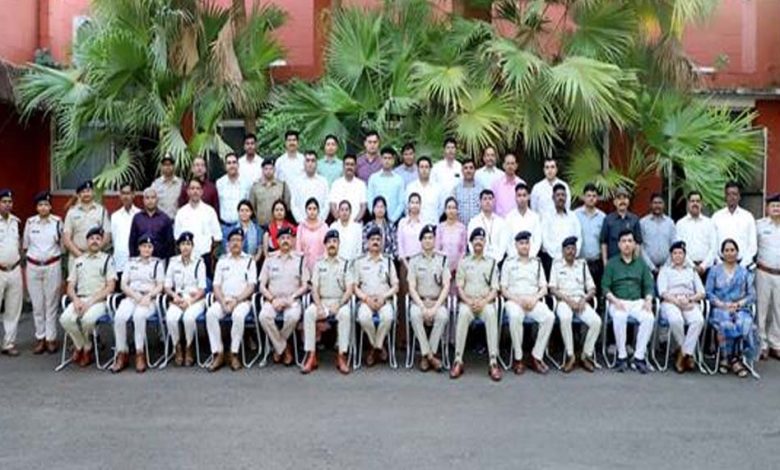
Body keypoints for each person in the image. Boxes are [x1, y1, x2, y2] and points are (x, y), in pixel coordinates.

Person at [59, 227, 117, 367]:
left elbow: (110, 287)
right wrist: (75, 300)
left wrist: (90, 302)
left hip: (98, 301)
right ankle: (84, 345)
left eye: (98, 239)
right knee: (65, 319)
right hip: (80, 299)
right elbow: (70, 286)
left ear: (102, 242)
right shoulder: (79, 260)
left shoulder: (107, 260)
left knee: (87, 320)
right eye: (91, 239)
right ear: (87, 241)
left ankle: (84, 349)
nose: (94, 241)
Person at [450, 228, 501, 381]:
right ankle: (458, 360)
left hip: (485, 302)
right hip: (468, 302)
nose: (478, 242)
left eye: (481, 239)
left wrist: (484, 302)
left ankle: (493, 362)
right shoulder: (464, 262)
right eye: (476, 239)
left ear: (485, 243)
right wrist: (468, 301)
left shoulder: (492, 263)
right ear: (471, 243)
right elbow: (459, 287)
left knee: (491, 314)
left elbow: (495, 289)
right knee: (463, 314)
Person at [501, 231, 554, 375]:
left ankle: (536, 356)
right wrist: (518, 300)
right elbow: (503, 289)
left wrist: (534, 298)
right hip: (514, 301)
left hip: (533, 300)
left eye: (526, 243)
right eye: (521, 243)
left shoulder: (537, 263)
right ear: (516, 245)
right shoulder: (509, 262)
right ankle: (518, 358)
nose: (524, 246)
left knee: (549, 317)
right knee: (515, 316)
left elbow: (544, 288)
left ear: (530, 245)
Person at [602, 229, 655, 374]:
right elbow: (605, 287)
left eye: (630, 241)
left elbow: (649, 285)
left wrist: (648, 300)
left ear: (634, 245)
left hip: (637, 302)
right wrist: (614, 300)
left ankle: (639, 357)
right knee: (619, 316)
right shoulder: (612, 264)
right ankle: (622, 356)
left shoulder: (641, 264)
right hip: (618, 300)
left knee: (649, 317)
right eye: (624, 241)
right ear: (619, 244)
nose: (627, 244)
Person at [301, 230, 354, 374]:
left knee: (345, 315)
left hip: (339, 302)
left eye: (335, 242)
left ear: (339, 244)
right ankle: (311, 356)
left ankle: (341, 356)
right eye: (329, 242)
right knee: (309, 313)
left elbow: (349, 289)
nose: (332, 244)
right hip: (322, 301)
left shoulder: (345, 264)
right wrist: (318, 306)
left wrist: (340, 304)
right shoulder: (319, 264)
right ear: (325, 245)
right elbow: (314, 288)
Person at [110, 234, 164, 373]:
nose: (147, 249)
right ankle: (121, 352)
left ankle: (140, 353)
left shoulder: (157, 264)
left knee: (139, 316)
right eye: (144, 246)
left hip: (148, 299)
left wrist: (148, 296)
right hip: (131, 296)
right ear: (139, 248)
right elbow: (123, 284)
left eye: (149, 247)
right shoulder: (131, 263)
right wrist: (135, 296)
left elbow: (160, 285)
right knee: (119, 317)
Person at [206, 227, 257, 372]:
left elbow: (251, 286)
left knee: (238, 316)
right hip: (224, 299)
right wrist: (222, 301)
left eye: (239, 240)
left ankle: (234, 353)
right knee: (211, 314)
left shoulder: (249, 261)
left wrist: (237, 300)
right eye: (233, 240)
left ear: (243, 243)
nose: (236, 243)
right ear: (228, 244)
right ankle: (218, 352)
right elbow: (216, 285)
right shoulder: (222, 261)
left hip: (242, 301)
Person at [706, 239, 757, 377]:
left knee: (743, 322)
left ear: (737, 252)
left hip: (739, 308)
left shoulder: (744, 272)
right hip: (720, 307)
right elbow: (708, 292)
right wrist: (722, 304)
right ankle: (728, 357)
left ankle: (734, 357)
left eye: (732, 250)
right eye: (726, 250)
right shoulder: (714, 271)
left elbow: (752, 295)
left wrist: (738, 304)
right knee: (726, 323)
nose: (729, 253)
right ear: (722, 253)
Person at [259, 227, 310, 367]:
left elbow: (305, 285)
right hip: (273, 300)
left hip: (292, 299)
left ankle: (277, 347)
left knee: (292, 317)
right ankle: (284, 348)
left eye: (288, 238)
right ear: (277, 241)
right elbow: (262, 286)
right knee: (263, 316)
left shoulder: (300, 259)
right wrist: (272, 299)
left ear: (293, 241)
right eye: (282, 238)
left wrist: (291, 297)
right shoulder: (270, 259)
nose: (285, 241)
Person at [549, 236, 600, 373]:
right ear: (563, 251)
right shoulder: (556, 264)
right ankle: (570, 355)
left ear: (576, 251)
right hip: (563, 301)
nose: (571, 251)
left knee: (596, 322)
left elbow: (592, 288)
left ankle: (585, 355)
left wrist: (585, 299)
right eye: (568, 249)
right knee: (565, 318)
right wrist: (568, 300)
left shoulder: (582, 265)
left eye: (573, 248)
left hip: (580, 301)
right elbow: (552, 289)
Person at [23, 191, 63, 354]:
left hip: (52, 265)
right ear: (36, 207)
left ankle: (50, 338)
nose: (43, 207)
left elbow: (62, 245)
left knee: (51, 304)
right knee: (37, 304)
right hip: (33, 266)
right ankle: (40, 337)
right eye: (40, 205)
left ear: (50, 207)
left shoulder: (57, 222)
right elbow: (25, 245)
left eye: (46, 204)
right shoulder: (30, 223)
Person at [657, 241, 705, 373]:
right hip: (670, 302)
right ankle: (688, 354)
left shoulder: (691, 271)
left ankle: (682, 354)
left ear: (684, 255)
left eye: (680, 253)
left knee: (698, 320)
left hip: (689, 301)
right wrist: (678, 302)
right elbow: (662, 292)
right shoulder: (665, 271)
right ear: (671, 255)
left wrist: (689, 300)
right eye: (675, 253)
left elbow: (701, 292)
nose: (678, 256)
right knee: (676, 320)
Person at [354, 226, 399, 366]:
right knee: (363, 318)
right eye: (372, 239)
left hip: (384, 301)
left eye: (378, 239)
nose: (375, 242)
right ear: (367, 242)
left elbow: (396, 286)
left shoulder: (388, 261)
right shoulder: (359, 262)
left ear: (382, 242)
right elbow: (354, 287)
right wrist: (366, 299)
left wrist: (383, 297)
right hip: (365, 301)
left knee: (388, 317)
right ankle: (379, 347)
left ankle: (374, 349)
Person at [407, 224, 450, 372]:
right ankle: (431, 357)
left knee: (442, 316)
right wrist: (423, 307)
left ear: (434, 240)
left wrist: (435, 307)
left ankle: (427, 355)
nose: (428, 241)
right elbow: (412, 287)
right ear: (421, 241)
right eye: (425, 238)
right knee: (415, 315)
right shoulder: (414, 260)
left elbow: (446, 286)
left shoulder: (443, 260)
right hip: (419, 302)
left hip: (437, 302)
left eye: (430, 238)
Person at [164, 232, 207, 367]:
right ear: (179, 247)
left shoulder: (199, 262)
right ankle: (177, 346)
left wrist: (189, 302)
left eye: (188, 244)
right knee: (170, 318)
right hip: (178, 298)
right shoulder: (173, 262)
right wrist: (175, 297)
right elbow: (167, 286)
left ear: (192, 246)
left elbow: (202, 289)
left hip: (195, 299)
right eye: (183, 244)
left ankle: (189, 346)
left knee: (188, 318)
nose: (185, 247)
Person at [174, 178, 222, 276]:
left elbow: (218, 237)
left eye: (197, 188)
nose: (195, 191)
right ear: (188, 191)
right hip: (186, 258)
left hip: (205, 257)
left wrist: (211, 254)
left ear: (201, 191)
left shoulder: (210, 211)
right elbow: (177, 237)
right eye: (192, 188)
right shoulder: (181, 213)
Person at [63, 180, 111, 271]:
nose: (86, 194)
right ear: (79, 195)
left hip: (96, 258)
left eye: (88, 191)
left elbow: (107, 235)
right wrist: (80, 255)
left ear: (93, 193)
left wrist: (94, 252)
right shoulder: (72, 212)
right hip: (76, 258)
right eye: (83, 192)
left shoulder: (101, 211)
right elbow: (66, 239)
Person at [756, 193, 780, 360]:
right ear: (767, 208)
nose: (776, 209)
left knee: (779, 311)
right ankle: (762, 344)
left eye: (779, 206)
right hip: (763, 272)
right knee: (762, 310)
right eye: (773, 206)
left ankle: (776, 344)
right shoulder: (759, 225)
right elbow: (753, 246)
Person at [712, 181, 757, 268]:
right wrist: (720, 265)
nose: (732, 197)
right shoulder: (716, 217)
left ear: (739, 196)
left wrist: (741, 266)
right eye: (729, 194)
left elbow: (752, 246)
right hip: (720, 265)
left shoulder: (748, 217)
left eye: (735, 194)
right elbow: (713, 245)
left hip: (743, 266)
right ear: (725, 197)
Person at [0, 189, 23, 356]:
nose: (7, 205)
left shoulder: (16, 222)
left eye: (10, 202)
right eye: (4, 202)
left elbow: (18, 245)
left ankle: (8, 343)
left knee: (13, 309)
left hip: (14, 269)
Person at [675, 191, 718, 278]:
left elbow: (714, 247)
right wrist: (692, 266)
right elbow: (680, 248)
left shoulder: (709, 223)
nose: (695, 203)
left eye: (698, 201)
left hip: (707, 269)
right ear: (688, 203)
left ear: (701, 204)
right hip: (687, 268)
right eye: (692, 201)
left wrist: (703, 266)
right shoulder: (680, 224)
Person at [540, 183, 581, 273]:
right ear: (553, 197)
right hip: (552, 260)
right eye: (558, 195)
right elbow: (545, 239)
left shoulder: (573, 216)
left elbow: (578, 237)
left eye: (563, 195)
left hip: (571, 259)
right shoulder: (547, 217)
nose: (560, 197)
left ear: (566, 197)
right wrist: (557, 256)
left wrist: (573, 254)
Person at [575, 183, 606, 292]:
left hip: (597, 262)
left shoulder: (603, 217)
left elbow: (604, 240)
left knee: (596, 291)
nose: (591, 198)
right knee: (580, 292)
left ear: (597, 198)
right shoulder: (575, 215)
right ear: (583, 197)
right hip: (579, 261)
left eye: (594, 196)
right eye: (588, 195)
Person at [129, 188, 174, 261]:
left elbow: (170, 244)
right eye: (147, 198)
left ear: (157, 199)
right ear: (143, 200)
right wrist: (133, 260)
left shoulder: (165, 219)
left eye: (153, 197)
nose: (150, 200)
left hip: (160, 260)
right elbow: (132, 242)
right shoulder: (137, 218)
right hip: (140, 261)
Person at [600, 187, 642, 266]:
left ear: (628, 201)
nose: (622, 201)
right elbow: (604, 243)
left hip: (630, 264)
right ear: (614, 202)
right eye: (619, 198)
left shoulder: (635, 219)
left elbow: (638, 243)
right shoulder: (608, 220)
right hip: (613, 264)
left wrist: (635, 263)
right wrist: (605, 263)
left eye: (625, 198)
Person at [216, 152, 252, 240]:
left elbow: (249, 204)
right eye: (229, 163)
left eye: (234, 162)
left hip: (242, 227)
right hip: (224, 227)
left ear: (238, 165)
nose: (232, 165)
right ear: (225, 166)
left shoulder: (246, 182)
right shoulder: (219, 183)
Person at [467, 189, 508, 262]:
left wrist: (496, 260)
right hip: (479, 261)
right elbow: (470, 244)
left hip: (497, 261)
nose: (487, 201)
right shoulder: (473, 222)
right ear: (480, 202)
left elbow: (503, 245)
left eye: (490, 198)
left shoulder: (501, 222)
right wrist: (480, 259)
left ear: (494, 201)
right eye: (485, 199)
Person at [110, 183, 141, 280]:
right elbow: (114, 239)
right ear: (120, 195)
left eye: (128, 193)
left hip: (137, 262)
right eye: (123, 193)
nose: (125, 196)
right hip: (120, 261)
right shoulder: (115, 216)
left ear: (133, 194)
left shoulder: (140, 214)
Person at [367, 147, 405, 224]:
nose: (387, 161)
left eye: (389, 158)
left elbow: (401, 203)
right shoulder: (373, 178)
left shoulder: (399, 180)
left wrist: (392, 219)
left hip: (393, 221)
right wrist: (375, 217)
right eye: (385, 158)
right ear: (381, 160)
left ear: (393, 160)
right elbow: (370, 200)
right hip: (376, 221)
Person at [249, 157, 291, 227]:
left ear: (274, 170)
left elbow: (287, 206)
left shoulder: (282, 185)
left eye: (271, 168)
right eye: (266, 169)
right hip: (261, 225)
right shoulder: (255, 187)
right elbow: (252, 207)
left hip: (278, 225)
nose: (268, 171)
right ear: (262, 170)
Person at [640, 193, 676, 275]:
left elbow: (674, 246)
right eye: (655, 203)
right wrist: (652, 267)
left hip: (667, 268)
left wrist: (666, 266)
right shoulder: (643, 223)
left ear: (664, 205)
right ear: (650, 205)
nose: (657, 205)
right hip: (647, 269)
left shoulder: (670, 223)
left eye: (660, 203)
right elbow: (641, 248)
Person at [504, 182, 542, 260]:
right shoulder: (509, 217)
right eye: (519, 195)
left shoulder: (535, 217)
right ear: (515, 198)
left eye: (524, 195)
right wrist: (515, 257)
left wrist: (530, 256)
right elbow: (507, 241)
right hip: (513, 259)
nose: (522, 198)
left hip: (531, 259)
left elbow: (538, 240)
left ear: (528, 197)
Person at [291, 151, 329, 224]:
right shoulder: (297, 182)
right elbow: (294, 204)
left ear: (316, 163)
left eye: (313, 161)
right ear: (304, 163)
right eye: (307, 160)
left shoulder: (323, 182)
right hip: (302, 224)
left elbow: (327, 204)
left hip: (320, 224)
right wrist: (301, 221)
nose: (310, 163)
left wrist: (319, 220)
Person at [329, 154, 367, 222]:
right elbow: (332, 205)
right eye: (347, 164)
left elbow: (363, 206)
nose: (349, 167)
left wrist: (355, 221)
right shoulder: (336, 184)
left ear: (355, 166)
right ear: (343, 166)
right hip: (339, 223)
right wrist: (340, 221)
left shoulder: (361, 185)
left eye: (352, 164)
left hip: (356, 223)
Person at [436, 197, 467, 279]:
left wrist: (458, 267)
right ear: (445, 210)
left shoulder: (462, 228)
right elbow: (437, 249)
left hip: (457, 270)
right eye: (449, 208)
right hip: (442, 269)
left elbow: (463, 251)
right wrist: (442, 268)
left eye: (453, 208)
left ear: (457, 210)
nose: (451, 211)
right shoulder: (440, 228)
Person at [407, 157, 443, 225]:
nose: (424, 170)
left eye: (426, 167)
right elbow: (407, 207)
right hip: (415, 226)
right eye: (421, 167)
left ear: (430, 169)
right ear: (417, 169)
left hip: (433, 224)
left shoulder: (438, 188)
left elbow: (441, 208)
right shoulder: (410, 188)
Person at [296, 198, 328, 273]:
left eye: (314, 209)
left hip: (321, 265)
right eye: (309, 209)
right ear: (306, 211)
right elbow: (298, 247)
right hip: (305, 265)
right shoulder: (301, 227)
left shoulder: (324, 226)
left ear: (318, 211)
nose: (312, 211)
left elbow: (327, 246)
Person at [491, 153, 525, 217]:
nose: (510, 166)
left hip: (517, 220)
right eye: (508, 163)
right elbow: (492, 205)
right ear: (503, 165)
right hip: (500, 221)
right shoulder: (496, 184)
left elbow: (524, 205)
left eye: (512, 163)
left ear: (516, 166)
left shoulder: (521, 184)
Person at [451, 158, 483, 226]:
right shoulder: (456, 190)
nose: (468, 171)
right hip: (460, 227)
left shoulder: (481, 189)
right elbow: (453, 209)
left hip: (478, 227)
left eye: (471, 168)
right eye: (465, 168)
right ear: (462, 171)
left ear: (475, 170)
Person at [151, 154, 183, 219]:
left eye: (170, 164)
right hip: (160, 221)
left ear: (174, 166)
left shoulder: (181, 184)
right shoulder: (155, 184)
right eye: (165, 164)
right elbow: (151, 203)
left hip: (176, 220)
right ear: (162, 167)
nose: (167, 167)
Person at [397, 193, 424, 262]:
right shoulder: (402, 222)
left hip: (421, 261)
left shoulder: (424, 223)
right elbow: (400, 243)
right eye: (412, 202)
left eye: (417, 203)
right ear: (408, 205)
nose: (414, 205)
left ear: (420, 205)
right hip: (405, 261)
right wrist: (405, 262)